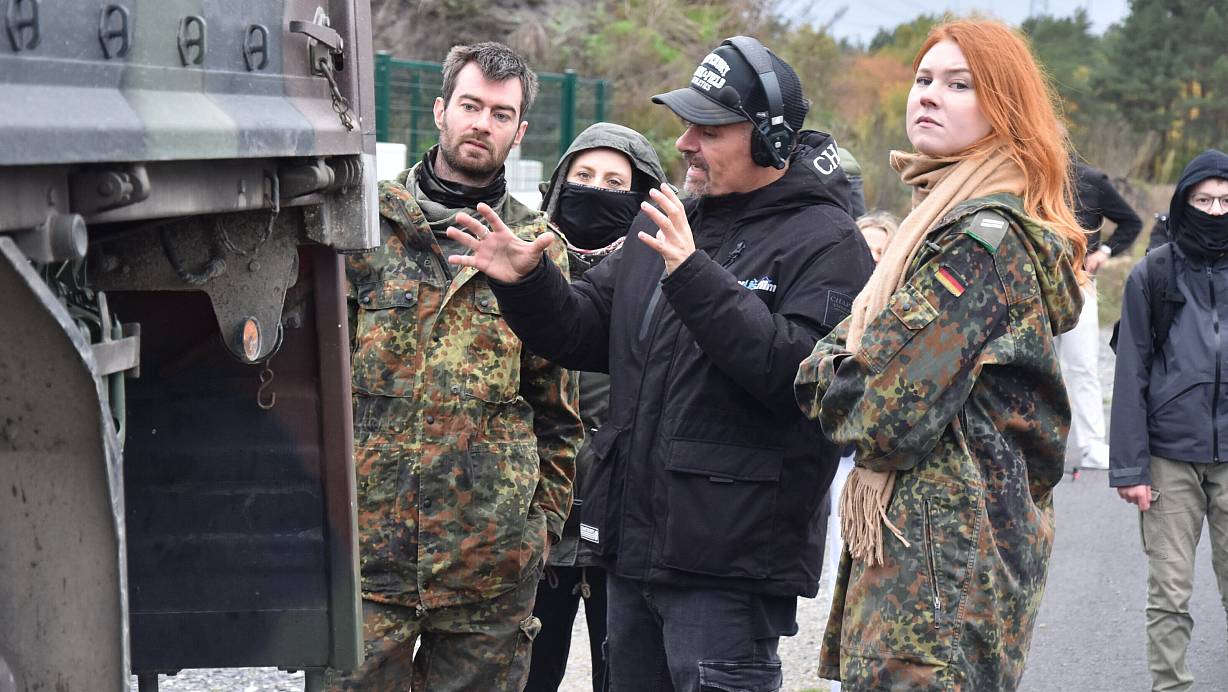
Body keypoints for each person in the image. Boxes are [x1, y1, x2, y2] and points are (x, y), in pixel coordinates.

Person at [447, 36, 873, 691]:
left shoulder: (829, 244)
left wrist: (693, 273)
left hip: (729, 575)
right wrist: (526, 284)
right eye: (684, 125)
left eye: (708, 128)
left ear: (769, 140)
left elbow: (799, 379)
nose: (684, 144)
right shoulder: (673, 219)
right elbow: (585, 330)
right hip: (635, 554)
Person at [795, 19, 1086, 689]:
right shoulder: (940, 224)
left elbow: (878, 413)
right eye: (924, 79)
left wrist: (825, 367)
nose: (928, 94)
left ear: (1004, 108)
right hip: (931, 559)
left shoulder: (979, 243)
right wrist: (847, 358)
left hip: (941, 577)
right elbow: (862, 360)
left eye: (960, 85)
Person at [329, 42, 582, 691]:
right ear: (441, 110)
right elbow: (315, 386)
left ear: (520, 132)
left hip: (488, 575)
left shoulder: (537, 249)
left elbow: (559, 415)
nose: (482, 124)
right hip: (365, 567)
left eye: (501, 114)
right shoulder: (362, 230)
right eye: (470, 105)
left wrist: (539, 533)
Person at [525, 122, 669, 692]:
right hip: (537, 528)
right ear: (561, 182)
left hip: (625, 533)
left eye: (615, 181)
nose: (596, 190)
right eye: (583, 176)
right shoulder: (525, 265)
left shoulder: (669, 273)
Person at [1110, 149, 1228, 692]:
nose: (1216, 211)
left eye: (1226, 201)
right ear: (1184, 203)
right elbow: (1131, 374)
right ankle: (1171, 686)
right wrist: (1131, 469)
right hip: (1168, 460)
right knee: (1170, 592)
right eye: (1204, 200)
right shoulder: (1153, 274)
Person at [1058, 161, 1143, 469]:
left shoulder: (1090, 180)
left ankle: (1093, 446)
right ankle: (1031, 443)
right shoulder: (1022, 174)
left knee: (1083, 367)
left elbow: (1131, 222)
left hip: (1079, 285)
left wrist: (1105, 251)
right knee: (1034, 367)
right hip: (1032, 286)